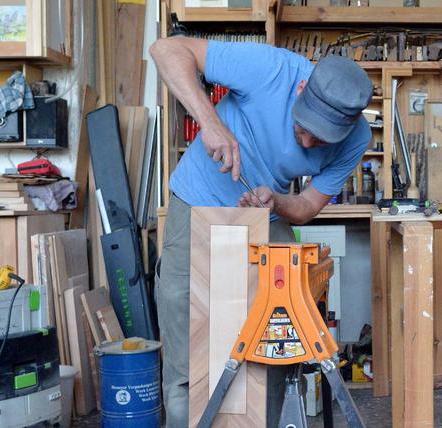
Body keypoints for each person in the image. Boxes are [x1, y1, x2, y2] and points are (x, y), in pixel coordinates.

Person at [149, 36, 373, 427]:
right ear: (301, 89)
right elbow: (166, 50)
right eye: (303, 127)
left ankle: (261, 418)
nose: (306, 142)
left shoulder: (357, 139)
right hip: (198, 197)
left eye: (320, 139)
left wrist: (276, 201)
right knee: (182, 309)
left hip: (264, 214)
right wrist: (212, 123)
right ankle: (184, 419)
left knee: (279, 324)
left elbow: (304, 206)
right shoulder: (271, 69)